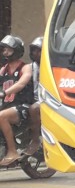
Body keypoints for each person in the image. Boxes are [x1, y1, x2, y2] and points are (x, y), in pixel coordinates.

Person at [0, 35, 33, 166]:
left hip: (23, 106)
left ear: (17, 50)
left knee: (1, 116)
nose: (5, 53)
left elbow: (21, 84)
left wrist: (5, 93)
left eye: (9, 50)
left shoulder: (25, 68)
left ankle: (12, 152)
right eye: (4, 50)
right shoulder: (3, 69)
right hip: (8, 107)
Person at [24, 37, 43, 156]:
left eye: (38, 50)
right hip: (35, 98)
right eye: (34, 50)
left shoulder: (52, 65)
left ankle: (36, 140)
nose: (35, 53)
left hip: (49, 99)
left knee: (34, 109)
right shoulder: (31, 67)